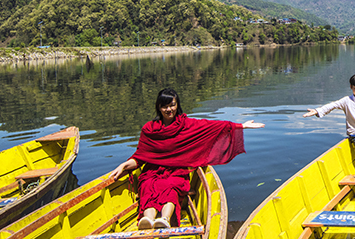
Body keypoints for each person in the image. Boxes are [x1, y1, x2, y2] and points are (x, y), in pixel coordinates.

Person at [109, 88, 264, 230]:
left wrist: (240, 126)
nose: (169, 110)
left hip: (177, 169)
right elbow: (140, 157)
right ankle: (147, 220)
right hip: (153, 170)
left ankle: (164, 219)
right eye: (165, 106)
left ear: (177, 105)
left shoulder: (187, 125)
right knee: (148, 184)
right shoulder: (150, 129)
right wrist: (123, 165)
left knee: (171, 186)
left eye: (172, 105)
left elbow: (213, 126)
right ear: (159, 107)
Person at [303, 73, 355, 174]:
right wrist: (317, 111)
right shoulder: (346, 101)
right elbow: (332, 105)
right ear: (351, 87)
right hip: (354, 131)